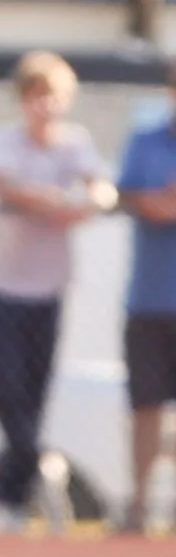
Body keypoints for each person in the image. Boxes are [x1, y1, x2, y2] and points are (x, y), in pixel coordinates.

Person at [0, 51, 112, 532]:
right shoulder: (1, 142)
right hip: (0, 288)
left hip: (47, 290)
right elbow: (7, 186)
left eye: (53, 96)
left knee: (33, 397)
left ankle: (14, 498)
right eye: (37, 96)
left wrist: (84, 204)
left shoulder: (74, 146)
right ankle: (37, 467)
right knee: (3, 395)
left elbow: (102, 191)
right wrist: (52, 201)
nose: (45, 106)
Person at [114, 76, 176, 533]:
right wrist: (156, 202)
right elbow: (130, 196)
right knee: (146, 406)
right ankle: (139, 503)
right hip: (151, 299)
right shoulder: (145, 141)